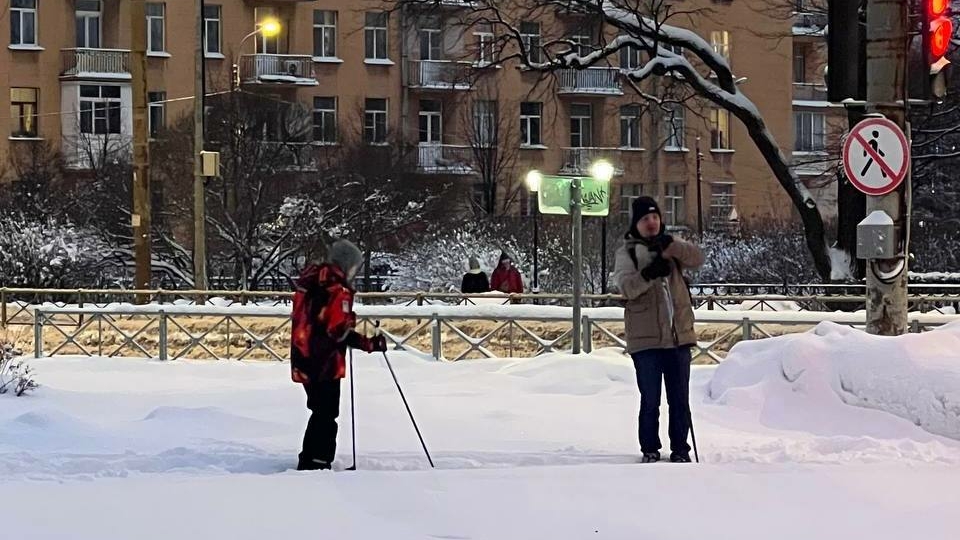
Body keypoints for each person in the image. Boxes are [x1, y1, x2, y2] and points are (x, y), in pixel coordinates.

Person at [612, 196, 705, 463]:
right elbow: (627, 288)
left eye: (654, 217)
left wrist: (674, 246)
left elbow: (697, 258)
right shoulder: (628, 252)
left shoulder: (671, 247)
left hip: (678, 338)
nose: (651, 223)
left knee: (680, 400)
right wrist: (649, 273)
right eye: (645, 219)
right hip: (646, 341)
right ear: (636, 223)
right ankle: (650, 448)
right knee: (650, 400)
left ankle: (680, 449)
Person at [290, 239, 388, 471]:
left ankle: (310, 458)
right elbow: (337, 330)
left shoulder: (312, 281)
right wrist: (369, 343)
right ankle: (319, 462)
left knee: (318, 410)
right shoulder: (336, 288)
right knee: (326, 413)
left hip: (304, 356)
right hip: (325, 361)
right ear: (347, 265)